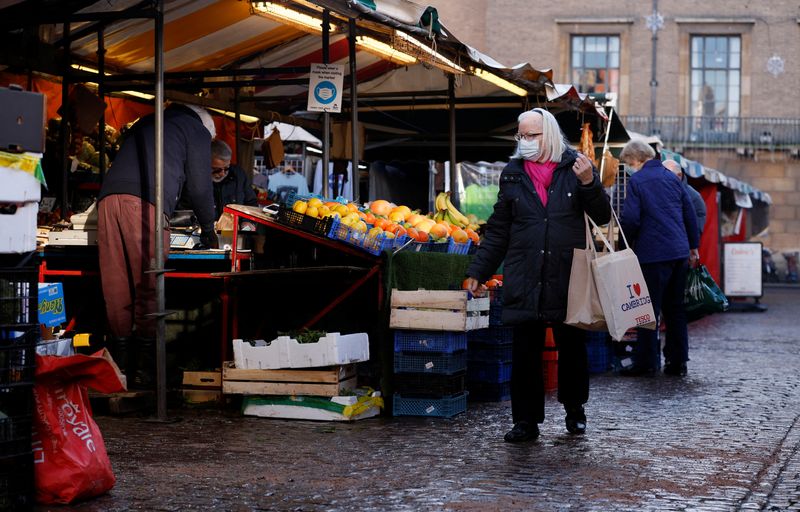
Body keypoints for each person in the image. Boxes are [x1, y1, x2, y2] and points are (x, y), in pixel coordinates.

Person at [464, 108, 612, 443]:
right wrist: (478, 271)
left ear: (548, 134)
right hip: (525, 273)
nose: (525, 141)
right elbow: (499, 230)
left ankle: (575, 410)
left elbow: (602, 216)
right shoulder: (513, 173)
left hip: (566, 273)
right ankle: (526, 422)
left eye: (532, 135)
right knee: (525, 352)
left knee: (572, 347)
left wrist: (589, 182)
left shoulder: (576, 167)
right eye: (521, 135)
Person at [97, 102, 218, 386]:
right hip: (142, 204)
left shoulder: (149, 120)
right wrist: (209, 228)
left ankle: (119, 367)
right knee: (150, 284)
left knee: (116, 286)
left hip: (107, 199)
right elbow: (200, 187)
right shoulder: (196, 130)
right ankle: (145, 372)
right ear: (207, 127)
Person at [618, 140, 700, 377]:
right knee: (675, 309)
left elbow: (631, 219)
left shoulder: (637, 181)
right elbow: (689, 214)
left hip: (652, 253)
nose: (629, 167)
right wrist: (693, 246)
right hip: (679, 252)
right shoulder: (672, 177)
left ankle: (647, 361)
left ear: (636, 160)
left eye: (628, 163)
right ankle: (678, 362)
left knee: (647, 310)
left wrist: (625, 245)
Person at [208, 139, 258, 219]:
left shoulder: (239, 175)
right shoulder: (195, 180)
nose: (222, 173)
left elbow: (251, 203)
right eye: (217, 169)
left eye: (226, 168)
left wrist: (248, 223)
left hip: (236, 229)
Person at [663, 159, 707, 238]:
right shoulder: (660, 191)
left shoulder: (694, 197)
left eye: (666, 175)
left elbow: (696, 229)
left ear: (679, 175)